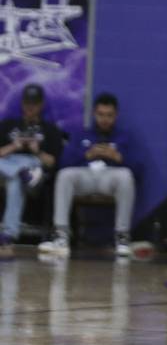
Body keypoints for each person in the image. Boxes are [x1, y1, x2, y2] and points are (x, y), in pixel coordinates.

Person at [38, 93, 136, 258]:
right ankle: (61, 235)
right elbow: (63, 162)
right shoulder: (82, 134)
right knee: (65, 175)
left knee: (126, 176)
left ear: (116, 115)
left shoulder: (124, 137)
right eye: (101, 115)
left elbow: (138, 169)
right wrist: (87, 155)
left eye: (109, 115)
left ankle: (122, 236)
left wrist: (117, 157)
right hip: (86, 176)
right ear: (94, 114)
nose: (105, 119)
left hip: (110, 178)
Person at [0, 84, 63, 258]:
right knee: (18, 176)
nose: (30, 107)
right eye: (27, 103)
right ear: (22, 103)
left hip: (34, 165)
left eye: (34, 103)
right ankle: (20, 171)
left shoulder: (50, 129)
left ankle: (8, 235)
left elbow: (51, 162)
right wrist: (14, 146)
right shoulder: (8, 125)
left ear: (41, 105)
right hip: (8, 165)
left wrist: (37, 150)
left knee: (16, 183)